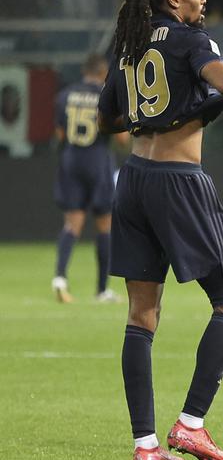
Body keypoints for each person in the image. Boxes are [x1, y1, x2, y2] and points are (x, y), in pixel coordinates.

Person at [97, 0, 223, 460]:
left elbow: (108, 119)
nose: (203, 0)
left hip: (133, 182)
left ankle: (145, 446)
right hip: (178, 184)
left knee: (141, 316)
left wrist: (159, 117)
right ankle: (189, 426)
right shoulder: (192, 43)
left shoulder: (129, 48)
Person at [52, 53, 127, 303]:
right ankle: (102, 290)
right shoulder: (105, 95)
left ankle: (60, 278)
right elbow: (121, 139)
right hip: (98, 160)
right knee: (104, 225)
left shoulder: (65, 95)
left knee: (72, 224)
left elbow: (60, 134)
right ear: (103, 71)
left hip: (71, 159)